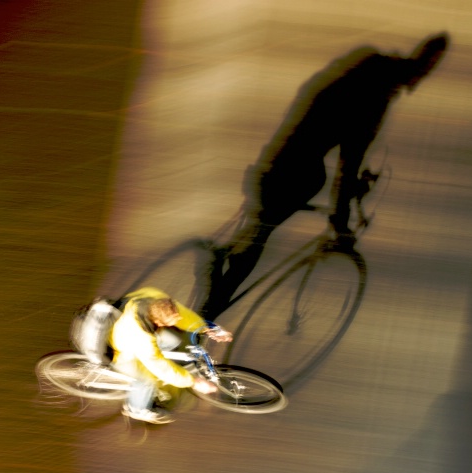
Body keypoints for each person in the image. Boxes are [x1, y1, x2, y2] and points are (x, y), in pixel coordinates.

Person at [202, 31, 450, 320]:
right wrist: (341, 221)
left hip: (283, 153)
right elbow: (348, 162)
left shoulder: (368, 66)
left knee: (263, 225)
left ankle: (217, 277)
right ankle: (209, 309)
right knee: (263, 233)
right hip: (295, 166)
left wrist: (347, 195)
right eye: (427, 69)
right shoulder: (374, 97)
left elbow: (338, 141)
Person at [110, 286, 233, 424]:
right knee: (147, 380)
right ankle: (135, 409)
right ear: (158, 322)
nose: (178, 318)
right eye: (172, 320)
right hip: (127, 351)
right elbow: (159, 366)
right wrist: (192, 382)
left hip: (136, 331)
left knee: (174, 341)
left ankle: (175, 372)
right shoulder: (142, 338)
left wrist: (207, 329)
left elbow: (183, 314)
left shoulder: (156, 299)